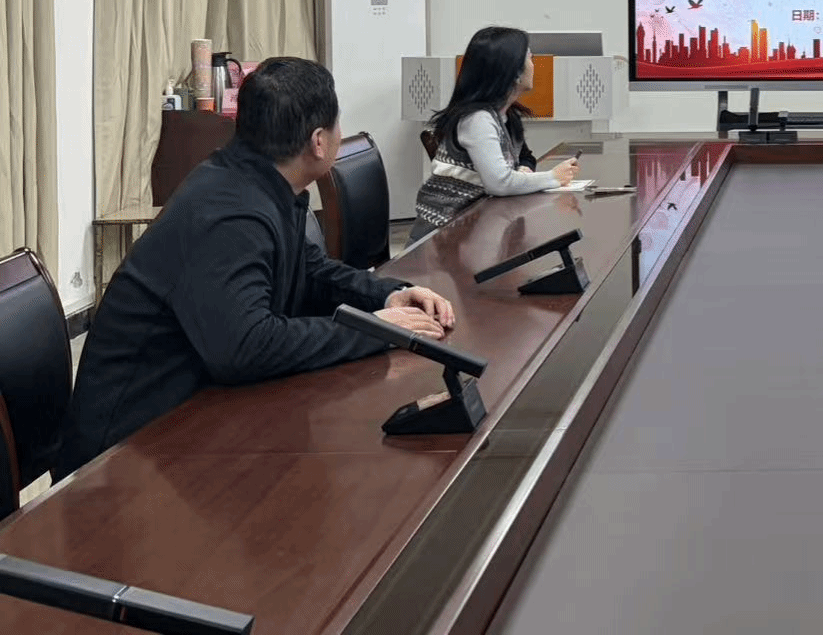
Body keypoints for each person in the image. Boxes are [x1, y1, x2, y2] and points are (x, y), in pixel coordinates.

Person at [56, 59, 455, 479]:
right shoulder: (230, 213)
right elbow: (246, 347)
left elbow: (308, 269)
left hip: (192, 419)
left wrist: (388, 296)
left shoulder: (256, 180)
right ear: (319, 142)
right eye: (338, 124)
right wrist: (375, 330)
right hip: (124, 457)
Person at [412, 27, 581, 241]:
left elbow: (524, 156)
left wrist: (524, 170)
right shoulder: (478, 119)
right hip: (444, 237)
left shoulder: (506, 115)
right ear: (513, 72)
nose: (534, 64)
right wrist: (553, 177)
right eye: (530, 58)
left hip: (475, 224)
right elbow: (499, 183)